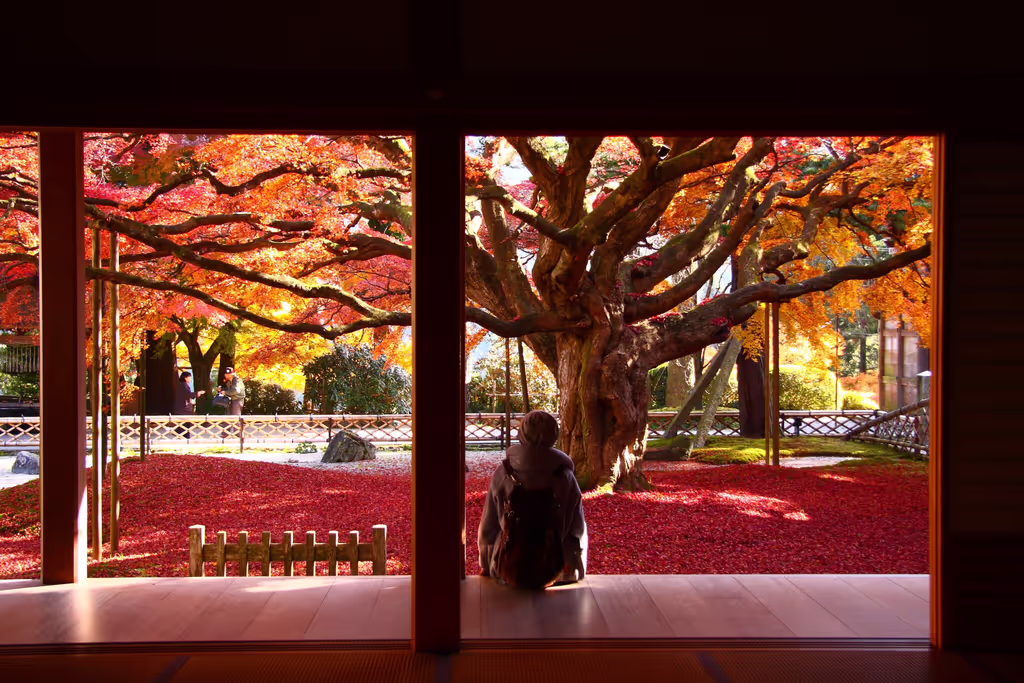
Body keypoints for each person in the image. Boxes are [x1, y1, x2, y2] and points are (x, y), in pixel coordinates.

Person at [477, 409, 587, 587]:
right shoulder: (565, 476)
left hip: (508, 566)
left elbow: (489, 526)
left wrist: (486, 562)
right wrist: (578, 561)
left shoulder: (505, 472)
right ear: (554, 434)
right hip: (558, 569)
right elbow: (577, 527)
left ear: (522, 434)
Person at [173, 371, 204, 439]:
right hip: (183, 409)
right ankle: (184, 437)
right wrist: (197, 393)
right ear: (185, 377)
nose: (190, 379)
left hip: (183, 409)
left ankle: (182, 436)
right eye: (189, 377)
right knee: (184, 425)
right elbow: (188, 394)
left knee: (184, 425)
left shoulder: (183, 385)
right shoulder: (183, 385)